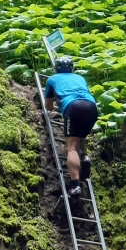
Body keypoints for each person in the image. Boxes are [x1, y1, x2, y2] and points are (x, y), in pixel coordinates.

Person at [43, 56, 98, 198]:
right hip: (91, 107)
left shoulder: (52, 79)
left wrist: (57, 107)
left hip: (73, 107)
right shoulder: (80, 78)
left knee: (72, 147)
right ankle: (84, 156)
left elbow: (48, 106)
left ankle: (75, 186)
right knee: (81, 136)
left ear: (56, 68)